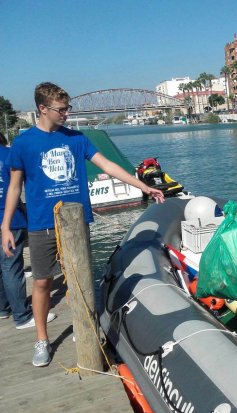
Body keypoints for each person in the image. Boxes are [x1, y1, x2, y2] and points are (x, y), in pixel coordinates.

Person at [1, 82, 165, 367]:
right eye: (61, 109)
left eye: (67, 108)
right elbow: (15, 187)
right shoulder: (24, 143)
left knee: (81, 279)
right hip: (42, 224)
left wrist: (143, 187)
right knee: (41, 282)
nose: (66, 114)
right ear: (42, 108)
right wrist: (5, 227)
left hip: (76, 224)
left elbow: (108, 166)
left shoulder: (77, 139)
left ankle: (85, 328)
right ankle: (42, 339)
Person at [0, 133, 55, 328]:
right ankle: (22, 315)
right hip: (10, 218)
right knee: (11, 266)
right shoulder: (9, 155)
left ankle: (3, 307)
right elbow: (20, 185)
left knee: (2, 265)